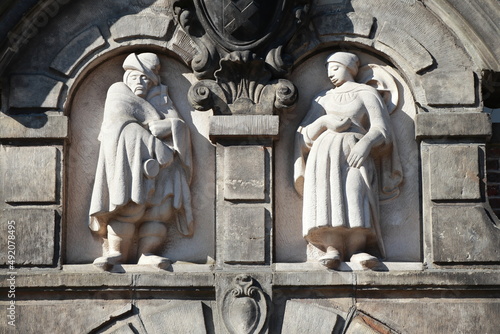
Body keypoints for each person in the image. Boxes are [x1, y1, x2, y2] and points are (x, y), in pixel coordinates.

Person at [294, 52, 402, 270]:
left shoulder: (366, 93)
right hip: (323, 157)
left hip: (355, 153)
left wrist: (366, 143)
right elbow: (304, 134)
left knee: (356, 194)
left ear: (350, 67)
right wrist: (325, 121)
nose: (330, 74)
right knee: (327, 197)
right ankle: (332, 248)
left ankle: (356, 249)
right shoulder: (323, 98)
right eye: (327, 69)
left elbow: (382, 129)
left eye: (334, 68)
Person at [89, 52, 194, 270]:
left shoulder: (160, 97)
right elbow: (116, 124)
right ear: (127, 77)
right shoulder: (118, 92)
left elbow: (179, 126)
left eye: (146, 78)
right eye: (136, 77)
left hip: (162, 171)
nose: (141, 82)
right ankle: (116, 252)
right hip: (128, 166)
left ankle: (147, 253)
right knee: (127, 209)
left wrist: (171, 127)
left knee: (158, 213)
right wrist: (148, 138)